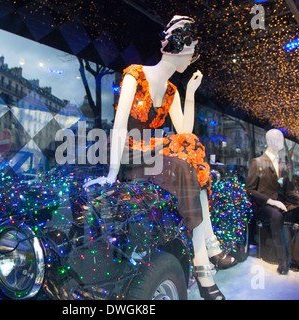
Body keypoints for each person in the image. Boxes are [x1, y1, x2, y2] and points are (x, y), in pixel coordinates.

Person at [84, 16, 235, 300]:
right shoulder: (135, 74)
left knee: (188, 146)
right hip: (127, 150)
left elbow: (185, 131)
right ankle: (207, 257)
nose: (191, 61)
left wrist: (190, 93)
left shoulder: (172, 91)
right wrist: (111, 174)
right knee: (186, 160)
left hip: (152, 152)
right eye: (190, 53)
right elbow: (118, 126)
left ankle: (204, 260)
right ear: (177, 49)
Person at [245, 129, 299, 277]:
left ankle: (298, 260)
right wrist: (270, 201)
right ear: (269, 141)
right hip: (264, 205)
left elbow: (289, 188)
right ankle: (283, 261)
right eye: (277, 138)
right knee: (277, 217)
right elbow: (250, 190)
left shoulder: (282, 164)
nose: (280, 141)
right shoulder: (257, 162)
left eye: (281, 138)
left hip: (282, 202)